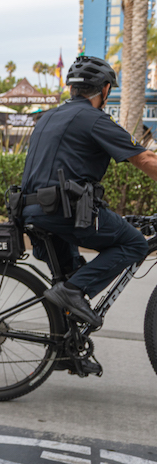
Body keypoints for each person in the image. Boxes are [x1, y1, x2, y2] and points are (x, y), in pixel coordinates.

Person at [20, 55, 157, 334]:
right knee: (134, 244)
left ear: (72, 87)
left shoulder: (48, 116)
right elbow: (145, 159)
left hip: (31, 211)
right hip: (62, 212)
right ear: (105, 89)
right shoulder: (93, 119)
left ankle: (63, 350)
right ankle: (73, 292)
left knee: (68, 277)